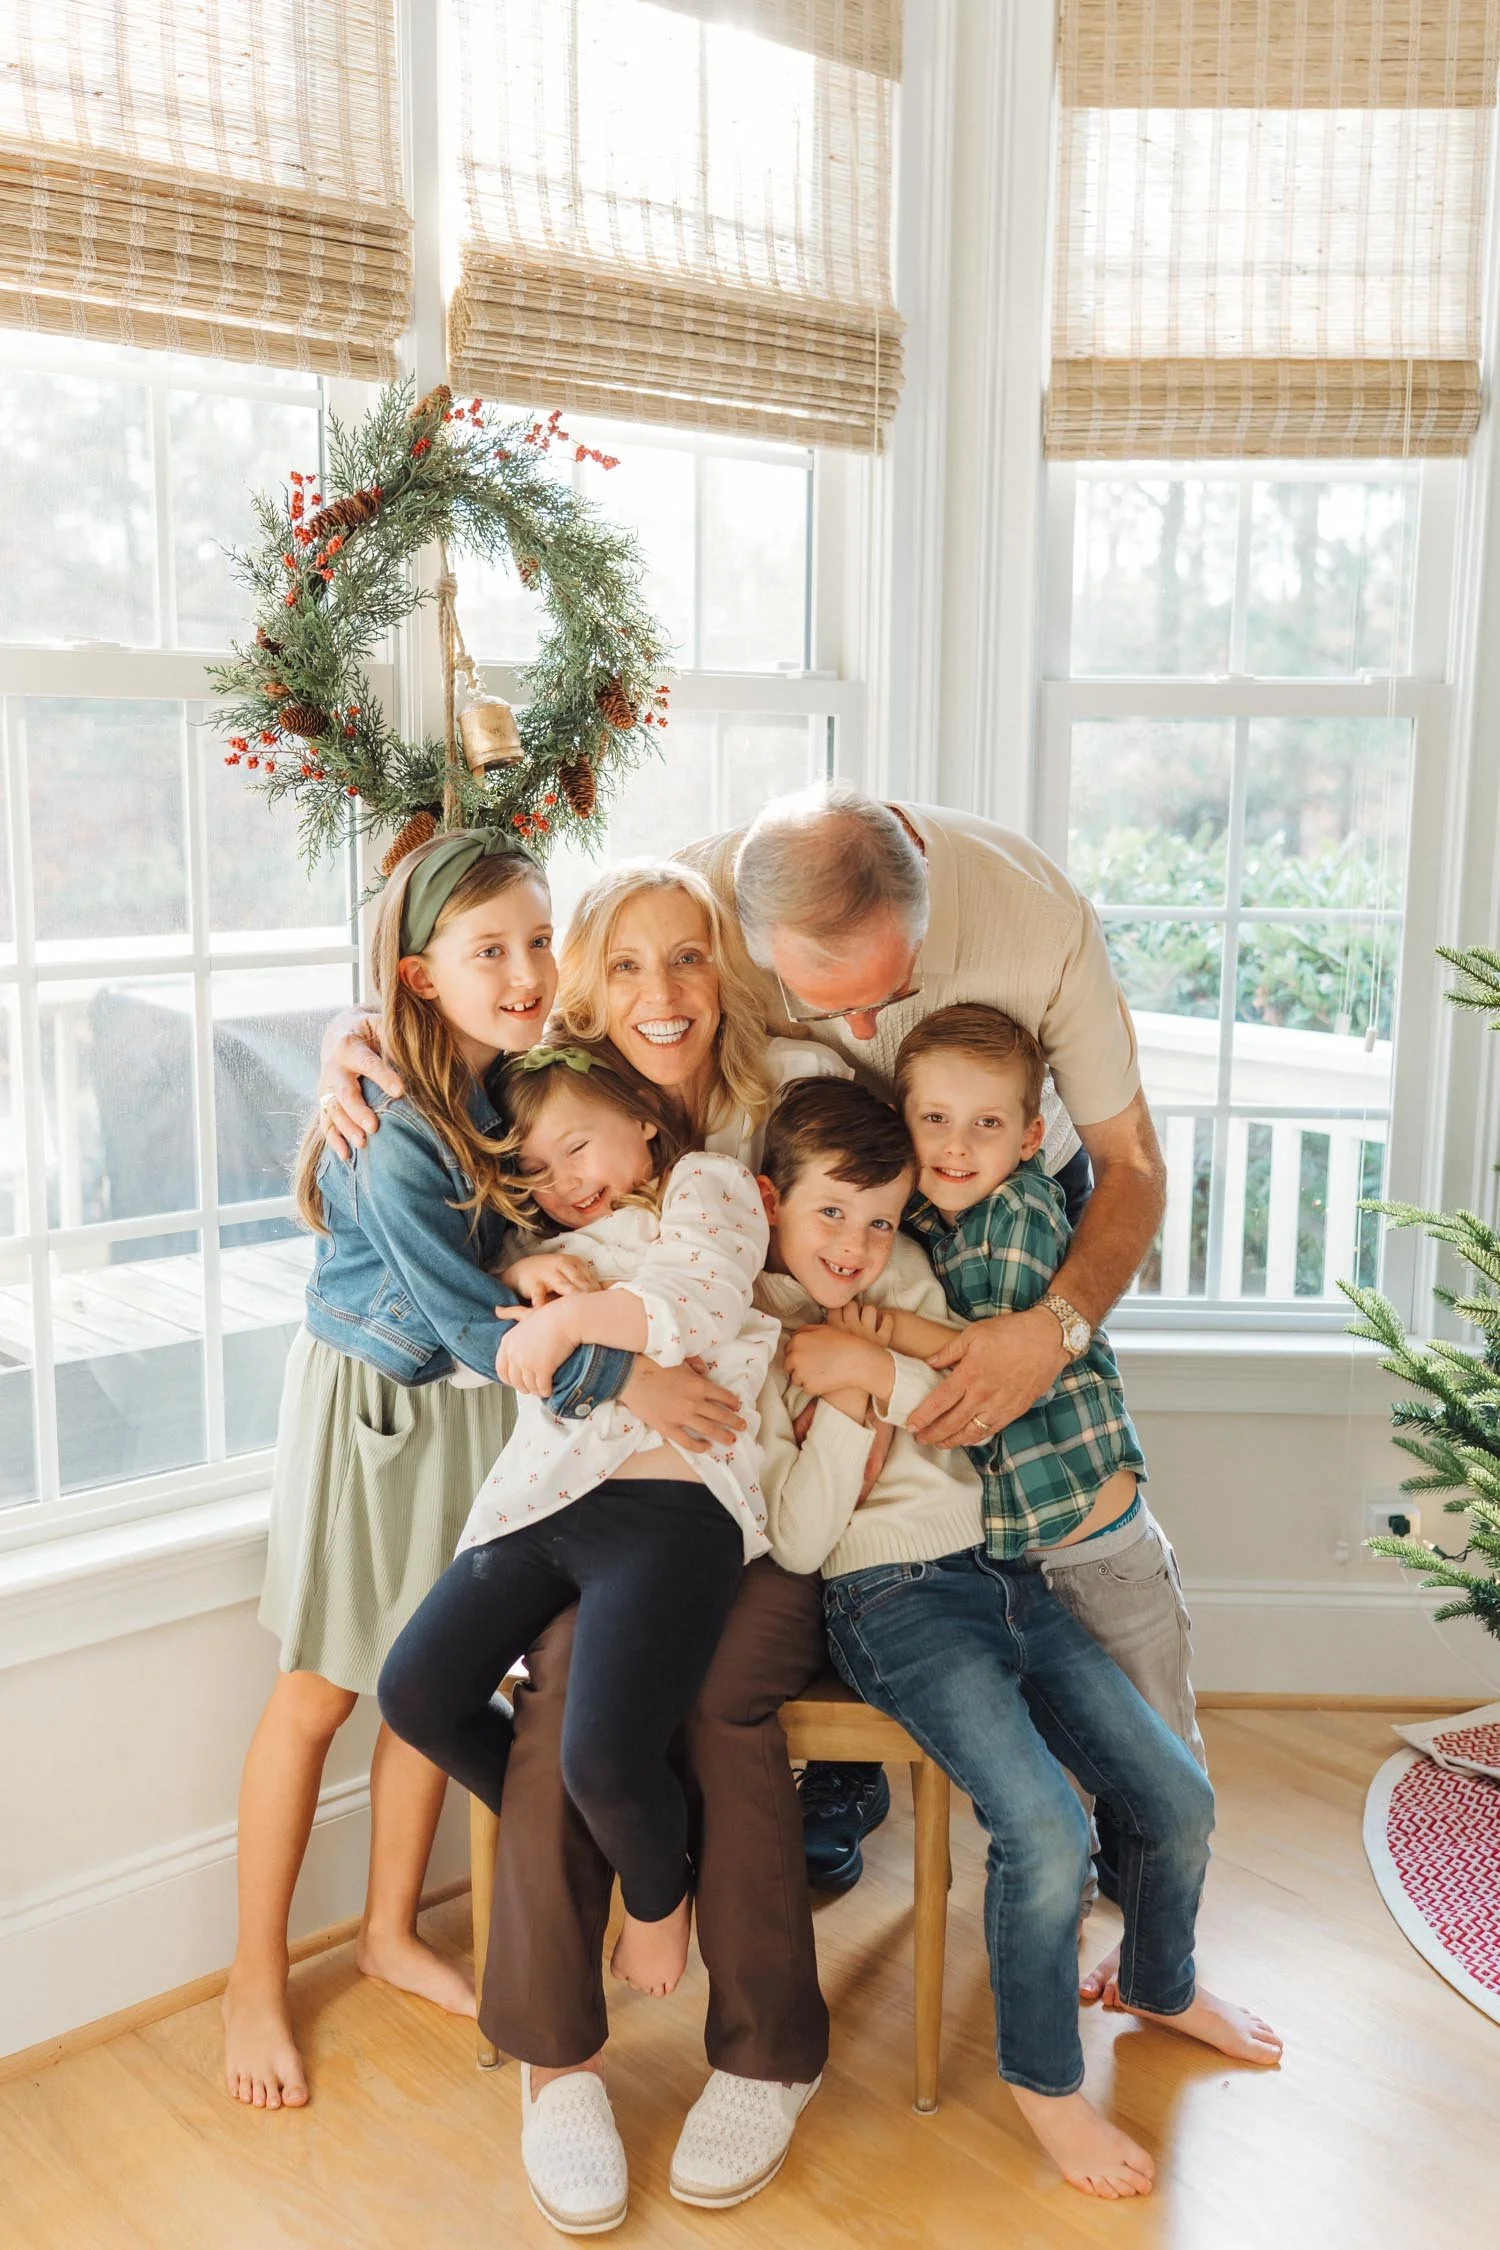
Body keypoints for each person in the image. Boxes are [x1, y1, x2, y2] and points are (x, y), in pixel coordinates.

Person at [314, 783, 1164, 1883]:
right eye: (830, 1009)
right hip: (703, 1412)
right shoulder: (688, 911)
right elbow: (520, 980)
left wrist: (1044, 1330)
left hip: (973, 1224)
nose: (864, 1039)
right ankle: (647, 1867)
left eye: (888, 997)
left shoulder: (1034, 924)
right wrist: (365, 1025)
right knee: (544, 1685)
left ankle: (1140, 1886)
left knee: (1082, 1562)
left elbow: (1131, 1166)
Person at [224, 836, 722, 2114]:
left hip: (489, 1413)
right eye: (488, 950)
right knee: (322, 1693)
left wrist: (521, 1273)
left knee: (421, 1686)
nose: (525, 972)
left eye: (538, 942)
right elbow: (460, 1324)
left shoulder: (511, 1078)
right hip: (387, 1411)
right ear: (419, 973)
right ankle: (252, 1980)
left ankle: (392, 1931)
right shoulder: (393, 1131)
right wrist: (630, 1380)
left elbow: (508, 1237)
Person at [755, 1076, 1282, 2200]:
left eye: (880, 1217)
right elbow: (800, 1540)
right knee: (1041, 1827)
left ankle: (1158, 1979)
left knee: (1176, 1792)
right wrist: (851, 1409)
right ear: (770, 1204)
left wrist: (873, 1372)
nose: (855, 1245)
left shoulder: (893, 1277)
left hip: (1000, 1567)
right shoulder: (757, 1335)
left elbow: (964, 1386)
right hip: (884, 1596)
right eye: (830, 1215)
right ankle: (1047, 2083)